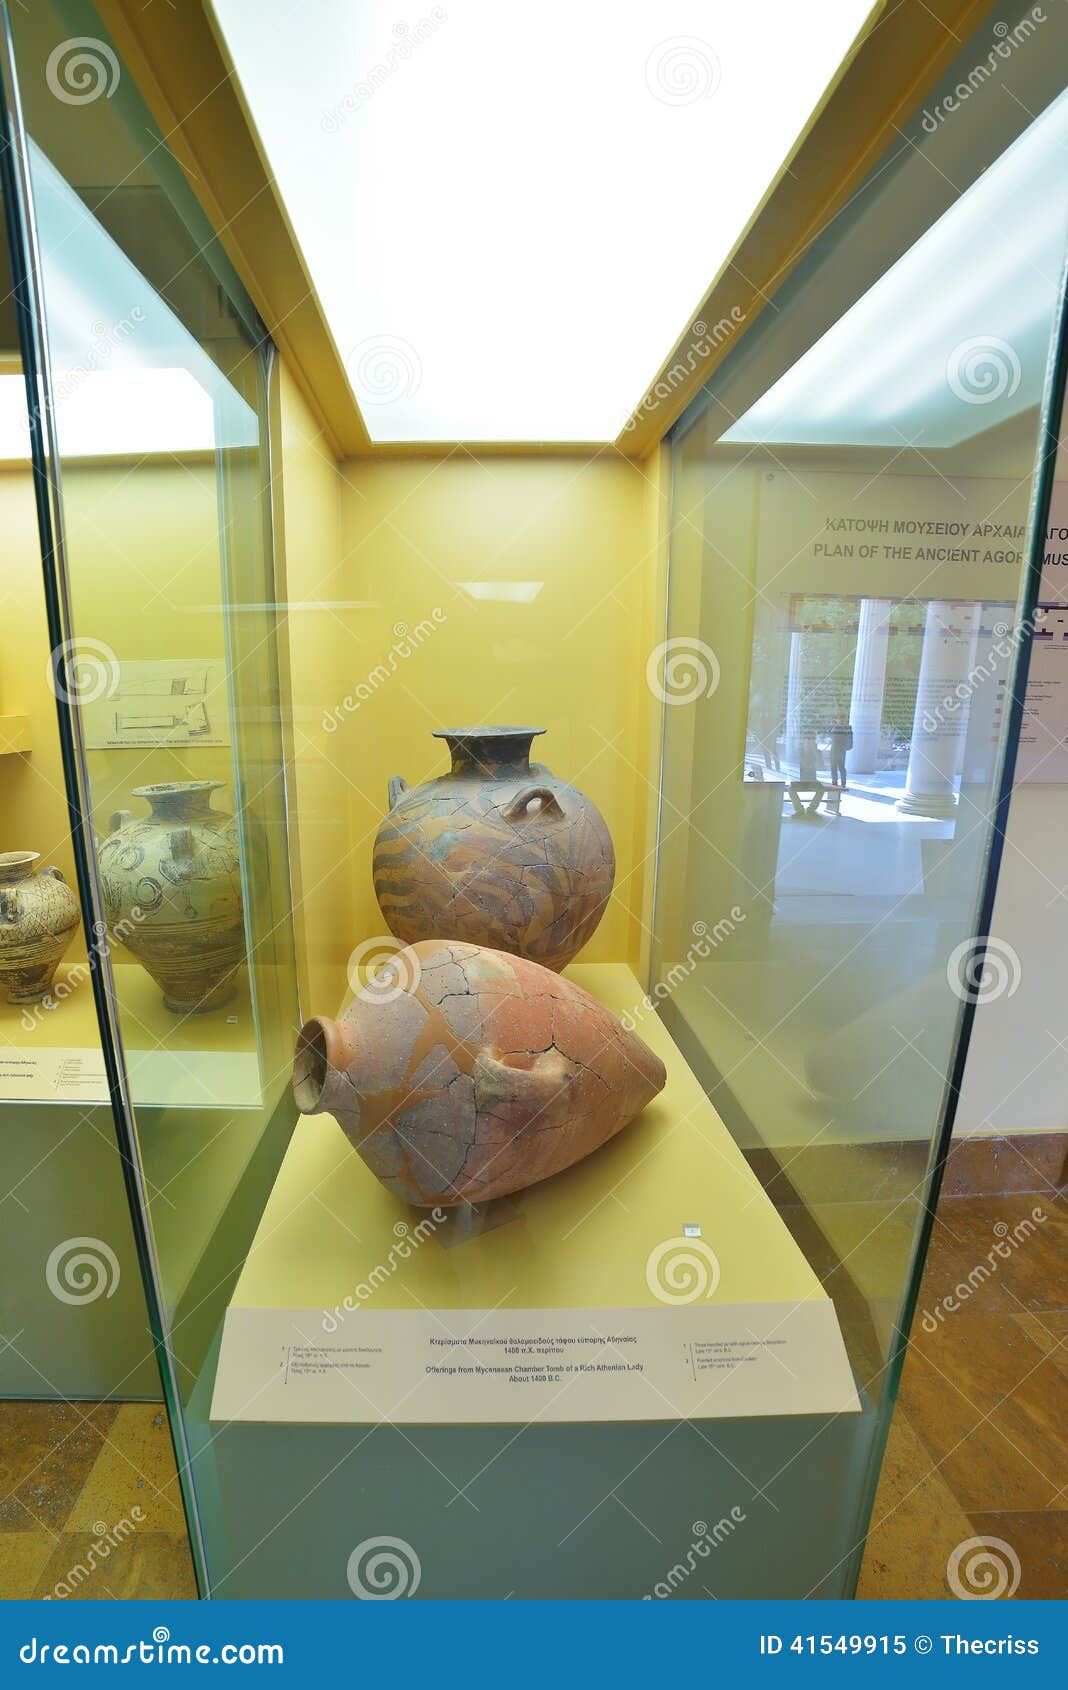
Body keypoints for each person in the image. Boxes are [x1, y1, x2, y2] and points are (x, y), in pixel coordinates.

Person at [827, 716, 853, 789]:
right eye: (839, 719)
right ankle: (834, 783)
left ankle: (843, 783)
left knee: (841, 767)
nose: (841, 720)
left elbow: (850, 738)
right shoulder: (833, 727)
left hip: (841, 749)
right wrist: (834, 725)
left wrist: (847, 747)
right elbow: (828, 733)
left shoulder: (848, 728)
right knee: (833, 767)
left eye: (842, 719)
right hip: (834, 749)